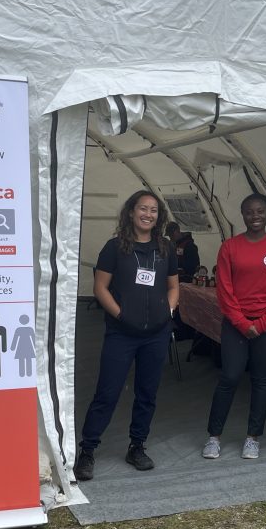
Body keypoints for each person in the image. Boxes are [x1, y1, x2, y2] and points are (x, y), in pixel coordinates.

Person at [74, 191, 180, 482]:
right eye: (143, 209)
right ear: (131, 212)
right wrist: (121, 315)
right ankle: (88, 449)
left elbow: (173, 287)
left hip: (156, 335)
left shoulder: (165, 249)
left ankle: (137, 446)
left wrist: (167, 312)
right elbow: (100, 288)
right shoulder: (114, 248)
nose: (148, 214)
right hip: (122, 334)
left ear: (159, 217)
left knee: (147, 393)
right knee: (107, 392)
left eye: (154, 210)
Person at [203, 193, 266, 461]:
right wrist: (242, 323)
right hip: (236, 325)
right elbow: (224, 289)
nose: (255, 216)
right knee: (229, 377)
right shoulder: (230, 247)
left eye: (260, 211)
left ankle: (253, 438)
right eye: (250, 212)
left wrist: (263, 323)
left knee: (261, 380)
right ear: (242, 215)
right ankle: (213, 437)